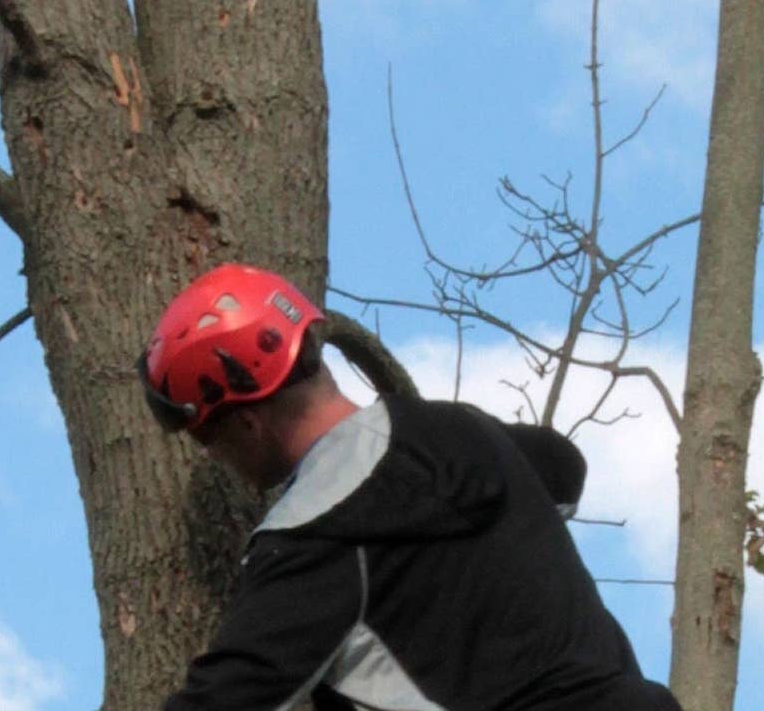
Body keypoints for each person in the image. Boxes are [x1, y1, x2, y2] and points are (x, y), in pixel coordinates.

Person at [144, 262, 683, 711]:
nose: (212, 455)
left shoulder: (312, 535)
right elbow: (562, 467)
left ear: (246, 422)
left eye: (206, 438)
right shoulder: (467, 432)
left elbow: (226, 700)